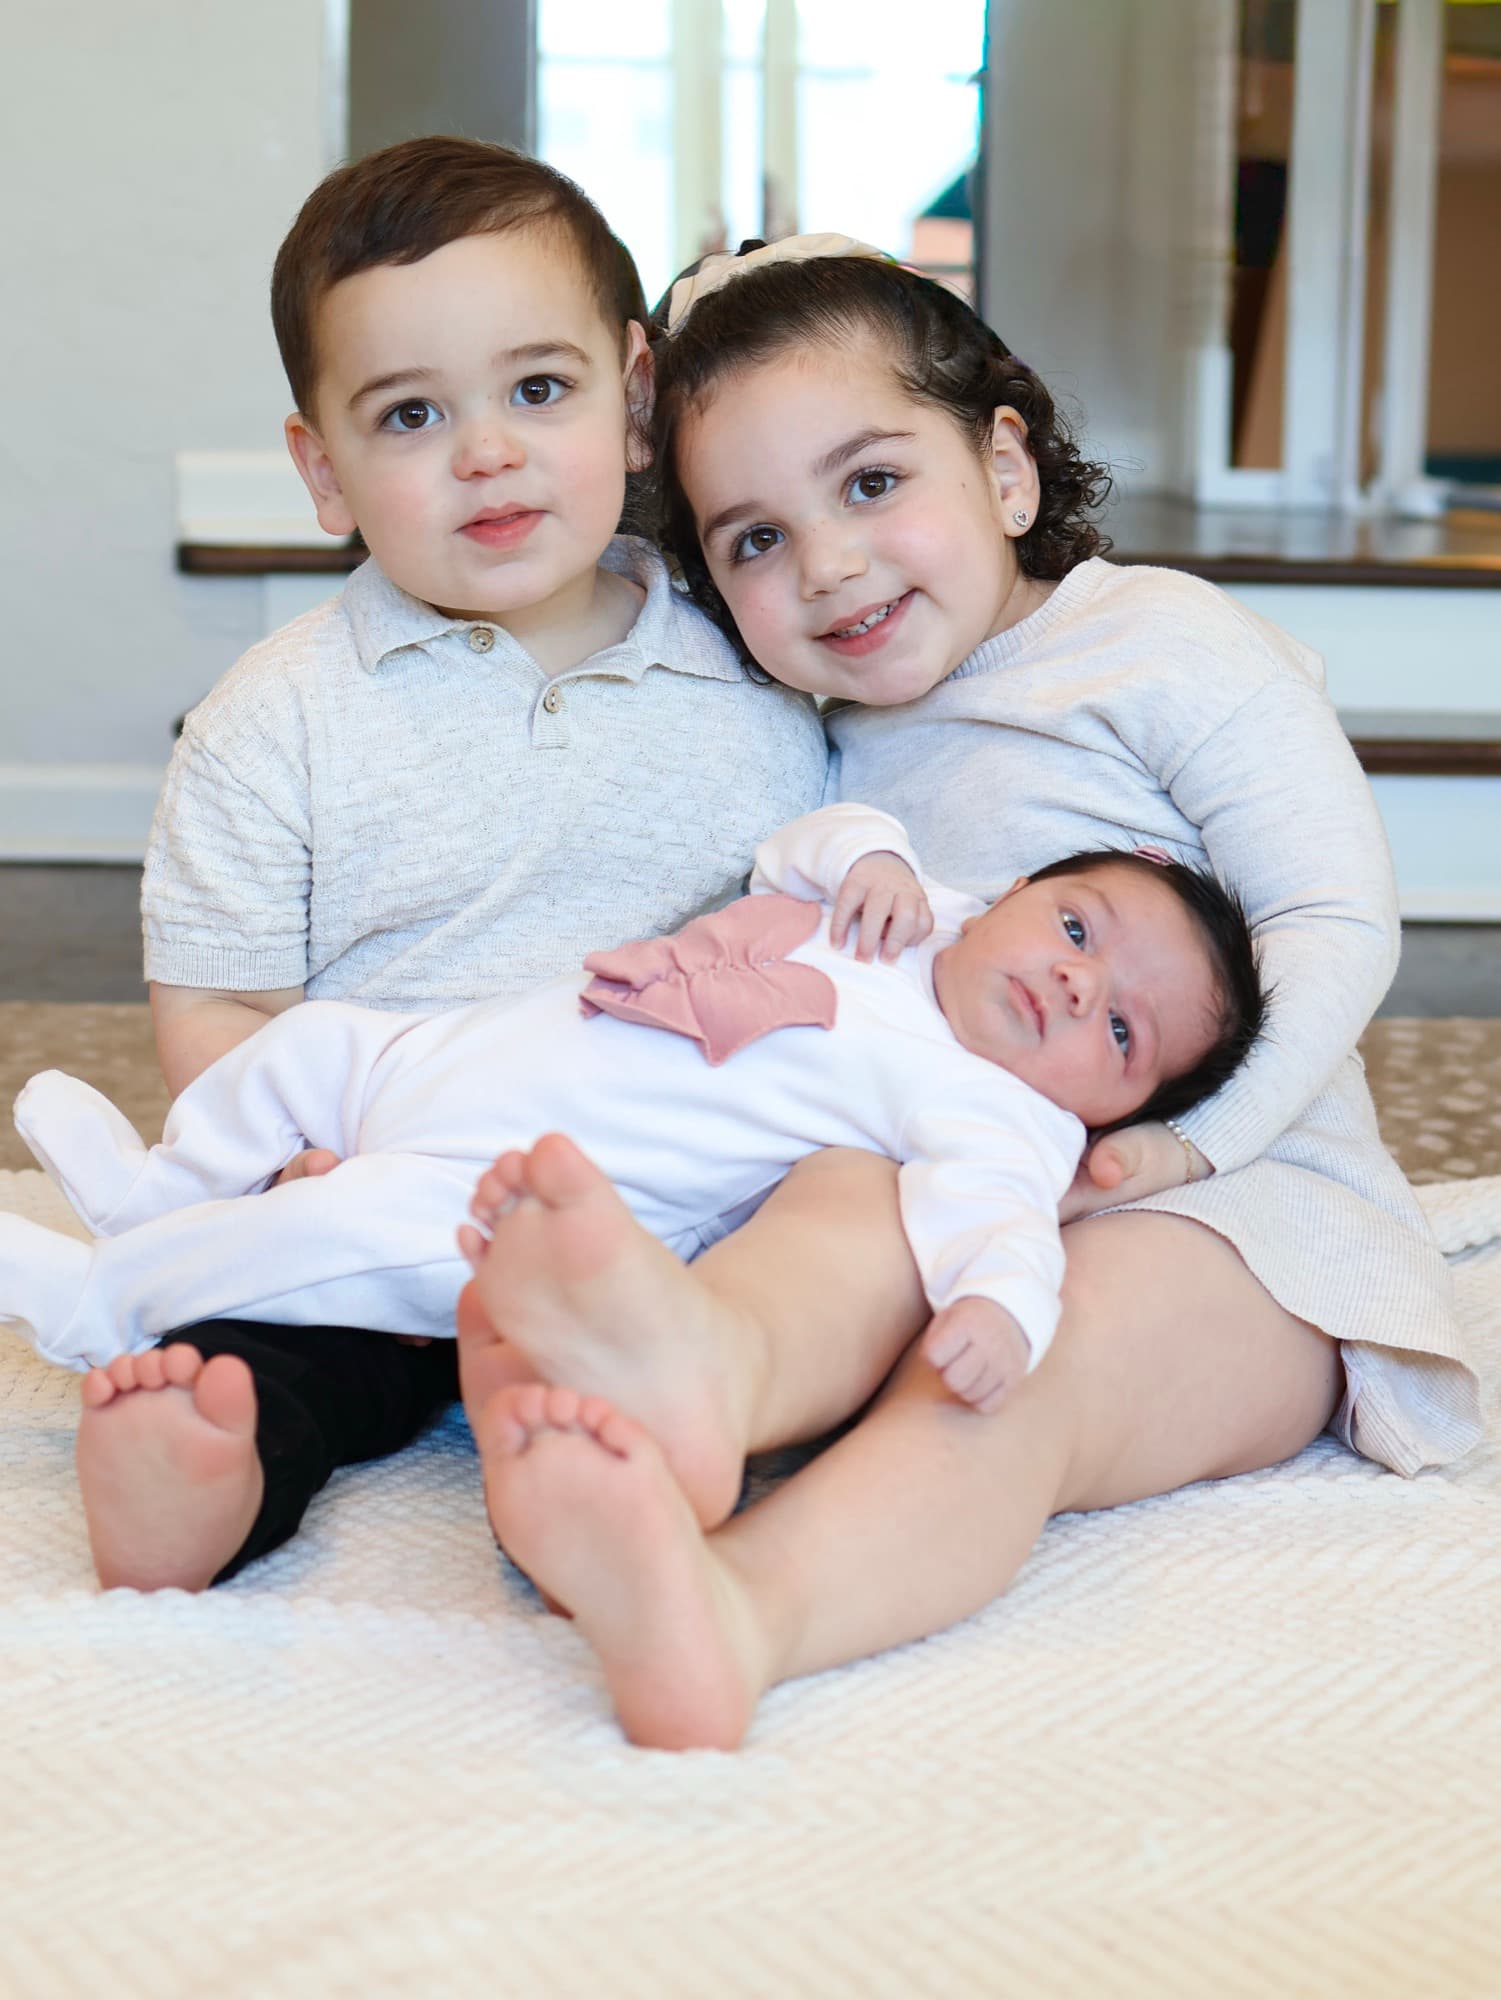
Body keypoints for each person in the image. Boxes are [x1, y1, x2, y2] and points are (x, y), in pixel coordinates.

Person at [453, 239, 1485, 1752]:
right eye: (752, 539)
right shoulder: (831, 746)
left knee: (1018, 1368)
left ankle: (746, 1612)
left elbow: (1332, 919)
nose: (827, 564)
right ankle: (698, 1382)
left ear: (1003, 468)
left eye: (872, 484)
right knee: (823, 1214)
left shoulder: (1158, 644)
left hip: (1235, 1211)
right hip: (948, 1153)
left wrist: (1187, 1149)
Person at [69, 142, 826, 1589]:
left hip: (657, 1199)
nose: (486, 451)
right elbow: (220, 1005)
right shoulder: (276, 716)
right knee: (265, 1330)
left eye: (538, 391)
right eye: (411, 414)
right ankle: (207, 1472)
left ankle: (591, 1489)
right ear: (323, 470)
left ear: (639, 396)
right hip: (380, 1179)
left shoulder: (756, 671)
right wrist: (292, 1156)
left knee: (788, 1297)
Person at [6, 803, 1263, 1533]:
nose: (1074, 980)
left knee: (336, 1233)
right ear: (1015, 894)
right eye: (1078, 927)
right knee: (305, 1046)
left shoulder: (996, 1106)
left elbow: (998, 1220)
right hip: (452, 1052)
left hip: (512, 1179)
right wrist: (869, 851)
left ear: (1114, 1109)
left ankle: (99, 1299)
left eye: (1119, 1030)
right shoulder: (912, 908)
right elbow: (802, 849)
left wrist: (1000, 1303)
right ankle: (157, 1188)